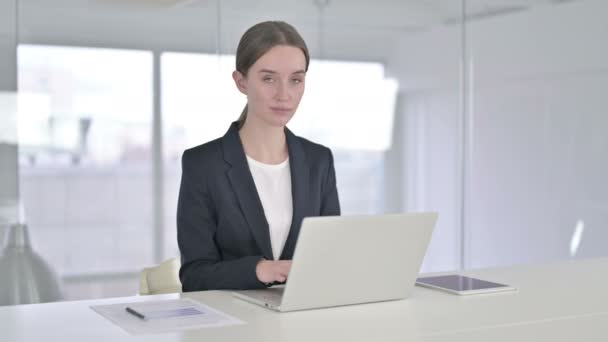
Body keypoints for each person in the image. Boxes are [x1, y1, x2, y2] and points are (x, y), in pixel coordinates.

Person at [177, 21, 341, 291]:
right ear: (241, 82)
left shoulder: (319, 161)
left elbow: (329, 256)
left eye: (296, 80)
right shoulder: (203, 164)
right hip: (234, 326)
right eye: (268, 79)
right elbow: (194, 276)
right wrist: (261, 270)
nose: (284, 94)